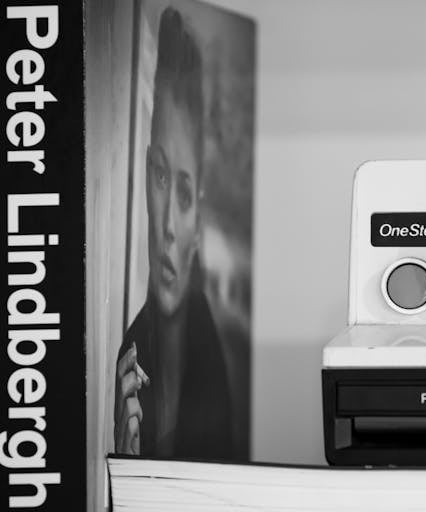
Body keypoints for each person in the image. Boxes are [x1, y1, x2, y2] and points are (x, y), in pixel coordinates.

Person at [114, 7, 234, 459]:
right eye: (160, 176)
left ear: (199, 224)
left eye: (183, 194)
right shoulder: (128, 357)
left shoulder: (214, 367)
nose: (166, 227)